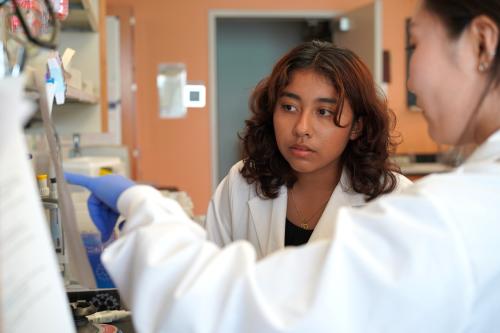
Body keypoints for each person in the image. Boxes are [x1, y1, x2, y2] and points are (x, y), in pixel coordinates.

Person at [66, 0, 500, 331]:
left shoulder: (450, 211)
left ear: (482, 43)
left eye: (414, 44)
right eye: (289, 107)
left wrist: (144, 213)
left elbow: (227, 308)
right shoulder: (242, 184)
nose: (408, 79)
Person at [204, 42, 411, 258]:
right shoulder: (241, 183)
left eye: (323, 111)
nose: (301, 128)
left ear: (356, 126)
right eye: (289, 107)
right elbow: (210, 278)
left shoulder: (396, 201)